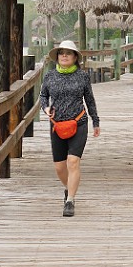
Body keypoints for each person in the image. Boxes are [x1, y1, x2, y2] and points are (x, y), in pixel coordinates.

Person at [39, 40, 100, 217]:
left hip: (79, 122)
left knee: (72, 162)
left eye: (68, 53)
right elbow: (43, 96)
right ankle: (68, 188)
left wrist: (95, 121)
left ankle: (70, 201)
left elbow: (90, 100)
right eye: (61, 53)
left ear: (75, 57)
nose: (64, 55)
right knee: (59, 167)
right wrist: (46, 108)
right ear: (57, 57)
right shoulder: (50, 76)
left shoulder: (82, 76)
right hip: (57, 125)